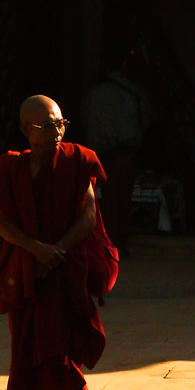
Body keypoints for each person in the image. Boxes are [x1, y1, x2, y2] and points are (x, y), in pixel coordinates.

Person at [0, 95, 107, 390]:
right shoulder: (9, 169)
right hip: (28, 271)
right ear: (24, 130)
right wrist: (36, 250)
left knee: (65, 349)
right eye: (46, 125)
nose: (56, 132)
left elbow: (88, 215)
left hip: (65, 267)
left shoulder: (77, 160)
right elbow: (2, 224)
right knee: (30, 352)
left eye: (60, 123)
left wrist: (58, 251)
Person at [81, 51, 153, 254]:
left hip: (102, 152)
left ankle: (106, 241)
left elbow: (85, 119)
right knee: (121, 199)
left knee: (103, 200)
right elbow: (146, 120)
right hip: (126, 152)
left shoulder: (94, 94)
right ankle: (117, 241)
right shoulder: (135, 94)